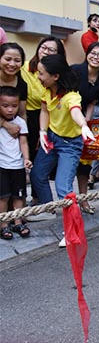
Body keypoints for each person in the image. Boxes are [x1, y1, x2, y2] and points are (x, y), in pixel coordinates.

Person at [30, 55, 96, 246]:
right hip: (51, 139)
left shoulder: (71, 96)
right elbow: (44, 111)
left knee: (63, 188)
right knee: (37, 174)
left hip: (70, 144)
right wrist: (43, 132)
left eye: (41, 73)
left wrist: (83, 126)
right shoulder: (46, 90)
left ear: (55, 76)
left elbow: (75, 111)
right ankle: (49, 209)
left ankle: (72, 231)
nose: (38, 77)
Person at [19, 37, 66, 215]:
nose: (45, 52)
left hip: (47, 118)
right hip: (25, 116)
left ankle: (39, 200)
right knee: (24, 160)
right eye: (43, 47)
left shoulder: (58, 75)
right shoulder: (24, 67)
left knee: (39, 162)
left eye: (51, 50)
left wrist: (44, 131)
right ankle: (20, 201)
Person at [71, 42, 99, 213]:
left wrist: (86, 123)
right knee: (68, 164)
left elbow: (92, 102)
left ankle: (83, 200)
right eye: (93, 53)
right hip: (67, 118)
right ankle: (68, 202)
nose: (95, 57)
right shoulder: (75, 71)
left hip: (84, 122)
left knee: (84, 163)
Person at [0, 86, 32, 239]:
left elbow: (23, 142)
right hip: (2, 165)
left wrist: (26, 158)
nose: (10, 109)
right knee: (3, 197)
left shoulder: (20, 122)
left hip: (17, 165)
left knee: (18, 196)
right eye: (5, 106)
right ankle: (3, 224)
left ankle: (18, 222)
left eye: (14, 106)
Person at [0, 43, 27, 118]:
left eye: (17, 60)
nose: (12, 64)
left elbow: (22, 114)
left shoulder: (22, 85)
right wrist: (4, 123)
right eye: (8, 59)